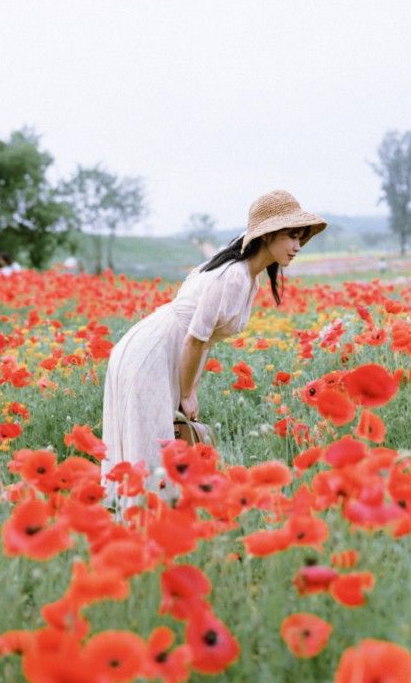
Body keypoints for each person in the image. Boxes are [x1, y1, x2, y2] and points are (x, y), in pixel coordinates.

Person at [100, 189, 326, 499]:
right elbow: (195, 340)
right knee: (151, 448)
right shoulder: (234, 276)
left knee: (160, 446)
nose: (297, 246)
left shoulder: (248, 276)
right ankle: (140, 527)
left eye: (300, 238)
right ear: (266, 236)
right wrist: (188, 392)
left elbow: (200, 342)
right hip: (154, 351)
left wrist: (188, 387)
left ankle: (152, 528)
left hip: (165, 347)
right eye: (291, 236)